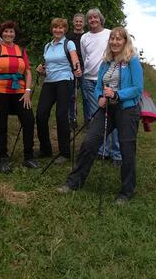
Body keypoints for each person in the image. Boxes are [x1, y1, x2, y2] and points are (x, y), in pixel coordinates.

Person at [58, 27, 143, 204]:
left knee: (127, 150)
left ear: (125, 41)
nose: (115, 42)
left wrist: (117, 95)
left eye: (119, 39)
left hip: (127, 110)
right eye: (112, 39)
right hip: (107, 109)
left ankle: (127, 191)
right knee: (89, 142)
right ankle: (74, 182)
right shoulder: (106, 61)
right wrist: (99, 97)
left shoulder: (132, 60)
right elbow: (99, 85)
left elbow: (137, 88)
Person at [0, 20, 38, 173]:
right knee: (1, 124)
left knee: (28, 121)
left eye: (11, 32)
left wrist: (27, 90)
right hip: (0, 91)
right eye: (6, 31)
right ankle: (3, 158)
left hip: (20, 93)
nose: (9, 34)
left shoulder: (21, 50)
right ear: (1, 33)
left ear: (15, 34)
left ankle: (29, 157)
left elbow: (27, 71)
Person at [35, 18, 82, 163]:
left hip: (64, 81)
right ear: (52, 29)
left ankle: (65, 152)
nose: (58, 30)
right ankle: (45, 149)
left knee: (61, 116)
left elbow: (74, 58)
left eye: (61, 28)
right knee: (41, 114)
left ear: (65, 30)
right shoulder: (48, 46)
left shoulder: (69, 43)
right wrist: (41, 70)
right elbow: (46, 65)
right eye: (55, 27)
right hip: (49, 81)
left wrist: (77, 67)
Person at [80, 8, 121, 166]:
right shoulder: (84, 37)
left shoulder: (110, 34)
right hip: (89, 81)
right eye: (89, 18)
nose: (93, 20)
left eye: (95, 17)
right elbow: (85, 57)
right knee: (97, 118)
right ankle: (101, 150)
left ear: (100, 19)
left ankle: (116, 154)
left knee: (114, 117)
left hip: (108, 81)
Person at [66, 13, 86, 129]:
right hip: (71, 68)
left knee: (85, 95)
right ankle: (72, 118)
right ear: (73, 22)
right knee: (72, 95)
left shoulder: (87, 36)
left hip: (84, 68)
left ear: (84, 23)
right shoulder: (68, 37)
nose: (78, 23)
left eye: (81, 21)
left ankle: (88, 119)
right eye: (76, 21)